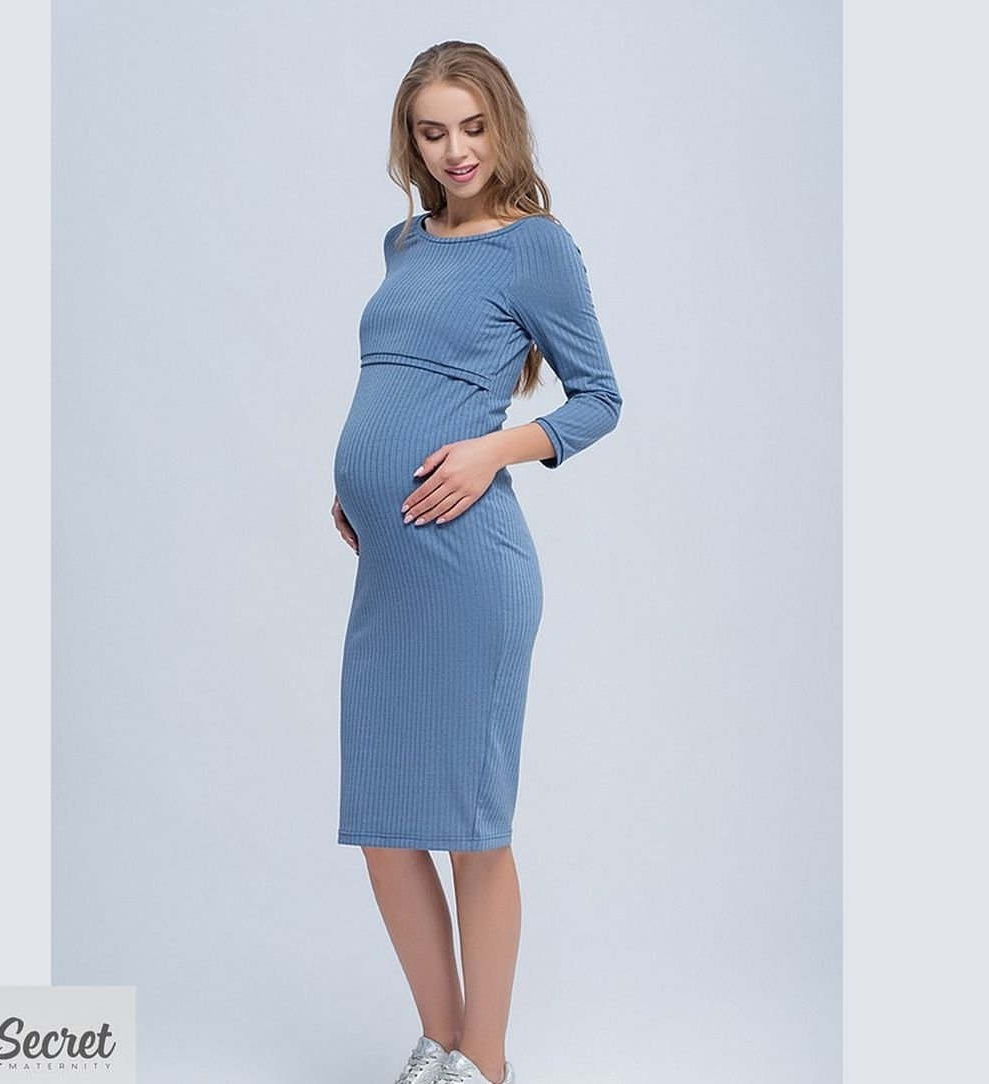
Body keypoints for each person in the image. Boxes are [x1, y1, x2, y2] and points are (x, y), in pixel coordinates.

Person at [330, 40, 623, 1084]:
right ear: (409, 141)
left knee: (470, 825)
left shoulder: (536, 246)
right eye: (432, 131)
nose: (454, 150)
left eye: (472, 127)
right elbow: (398, 376)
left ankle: (484, 1061)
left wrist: (491, 448)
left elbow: (599, 398)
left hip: (469, 569)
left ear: (502, 127)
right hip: (390, 570)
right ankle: (438, 1036)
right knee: (383, 822)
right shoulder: (403, 244)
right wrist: (357, 481)